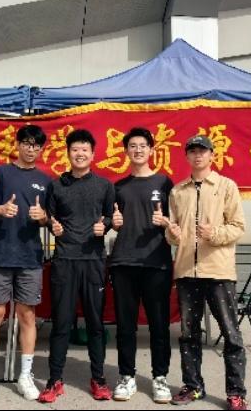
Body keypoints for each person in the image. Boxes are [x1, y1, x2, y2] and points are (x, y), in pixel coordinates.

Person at [165, 135, 248, 411]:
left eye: (203, 151)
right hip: (187, 271)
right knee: (188, 334)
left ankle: (236, 392)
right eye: (192, 151)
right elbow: (173, 234)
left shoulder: (226, 186)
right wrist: (172, 233)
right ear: (186, 156)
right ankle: (193, 385)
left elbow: (238, 226)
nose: (198, 155)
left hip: (219, 271)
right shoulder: (178, 191)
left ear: (212, 155)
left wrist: (215, 234)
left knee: (230, 334)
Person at [38, 129, 115, 403]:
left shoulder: (105, 186)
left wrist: (105, 226)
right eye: (75, 149)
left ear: (93, 154)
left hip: (93, 261)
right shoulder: (56, 186)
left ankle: (99, 379)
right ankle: (54, 380)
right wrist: (52, 225)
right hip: (64, 261)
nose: (80, 154)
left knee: (95, 323)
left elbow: (111, 216)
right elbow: (47, 217)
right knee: (61, 323)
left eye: (85, 149)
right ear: (68, 153)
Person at [0, 125, 51, 403]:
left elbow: (50, 219)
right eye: (27, 143)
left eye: (37, 145)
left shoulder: (46, 181)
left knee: (27, 316)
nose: (31, 149)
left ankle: (25, 375)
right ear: (17, 144)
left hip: (29, 257)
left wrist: (42, 217)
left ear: (41, 149)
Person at [109, 127, 174, 403]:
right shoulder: (118, 187)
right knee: (126, 325)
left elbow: (177, 221)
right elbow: (109, 221)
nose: (137, 150)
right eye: (132, 146)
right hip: (124, 262)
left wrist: (166, 222)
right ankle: (127, 376)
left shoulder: (165, 183)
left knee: (159, 324)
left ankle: (160, 377)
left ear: (151, 150)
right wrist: (113, 224)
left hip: (157, 262)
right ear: (126, 151)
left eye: (142, 146)